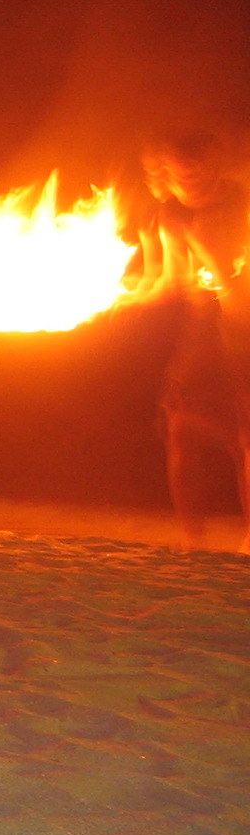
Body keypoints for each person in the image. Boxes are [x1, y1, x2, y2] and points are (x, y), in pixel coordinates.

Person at [126, 130, 250, 549]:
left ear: (213, 164)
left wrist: (216, 260)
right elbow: (173, 280)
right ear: (167, 174)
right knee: (182, 428)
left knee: (244, 436)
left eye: (197, 168)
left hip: (244, 327)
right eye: (181, 172)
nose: (191, 177)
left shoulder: (242, 201)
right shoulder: (171, 214)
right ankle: (192, 542)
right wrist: (131, 295)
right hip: (202, 331)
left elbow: (237, 298)